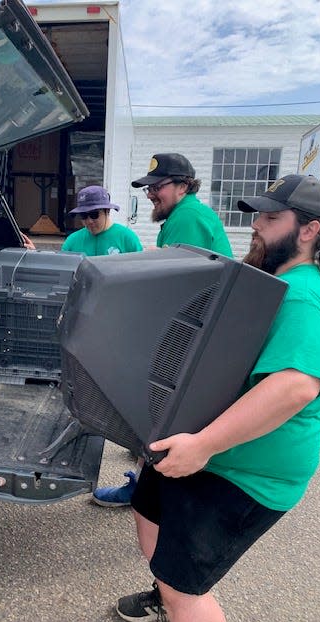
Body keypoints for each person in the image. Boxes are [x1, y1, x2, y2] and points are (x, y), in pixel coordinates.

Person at [114, 174, 320, 622]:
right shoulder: (273, 278)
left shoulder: (305, 294)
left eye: (271, 219)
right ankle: (167, 590)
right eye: (258, 217)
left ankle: (177, 595)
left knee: (185, 590)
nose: (256, 226)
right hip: (205, 447)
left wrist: (204, 445)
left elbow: (296, 386)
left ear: (309, 231)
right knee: (147, 509)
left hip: (246, 472)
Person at [93, 153, 232, 507]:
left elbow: (183, 288)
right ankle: (147, 480)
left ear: (183, 186)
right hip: (199, 329)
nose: (152, 193)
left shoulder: (187, 218)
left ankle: (146, 493)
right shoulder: (185, 216)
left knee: (158, 410)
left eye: (159, 186)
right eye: (149, 188)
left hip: (193, 334)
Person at [61, 185, 143, 256]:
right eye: (84, 215)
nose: (89, 221)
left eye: (94, 214)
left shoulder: (127, 238)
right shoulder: (72, 240)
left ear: (107, 211)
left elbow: (140, 269)